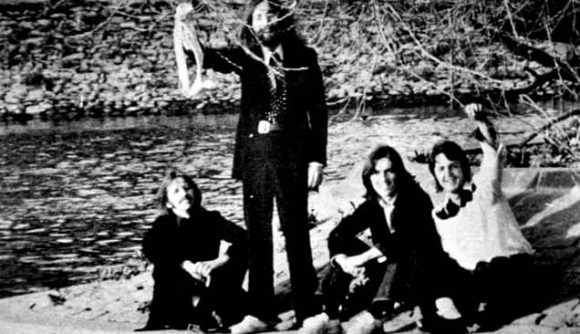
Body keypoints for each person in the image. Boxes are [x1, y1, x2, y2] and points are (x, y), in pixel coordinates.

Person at [183, 1, 328, 333]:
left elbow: (317, 111)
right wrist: (186, 27)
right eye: (259, 16)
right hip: (255, 156)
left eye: (272, 14)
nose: (266, 21)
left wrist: (317, 159)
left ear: (284, 19)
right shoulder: (244, 57)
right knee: (258, 235)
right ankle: (262, 314)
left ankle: (309, 312)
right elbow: (202, 56)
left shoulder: (304, 58)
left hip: (293, 154)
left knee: (296, 233)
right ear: (251, 23)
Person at [306, 145, 447, 334]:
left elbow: (402, 239)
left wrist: (361, 259)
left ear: (399, 172)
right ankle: (330, 316)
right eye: (376, 173)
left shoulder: (416, 198)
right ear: (368, 176)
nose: (383, 180)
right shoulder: (375, 202)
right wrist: (344, 260)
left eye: (389, 171)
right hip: (389, 270)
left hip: (423, 272)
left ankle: (377, 316)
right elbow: (338, 234)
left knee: (400, 252)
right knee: (344, 247)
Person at [427, 104, 535, 332]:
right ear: (435, 174)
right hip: (475, 278)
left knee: (493, 268)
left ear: (464, 169)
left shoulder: (485, 188)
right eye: (441, 169)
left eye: (453, 166)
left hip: (510, 269)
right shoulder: (438, 213)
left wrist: (481, 121)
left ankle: (470, 315)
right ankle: (458, 311)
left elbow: (491, 152)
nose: (448, 175)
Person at [138, 169, 248, 331]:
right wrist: (185, 265)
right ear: (168, 202)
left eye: (187, 188)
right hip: (179, 287)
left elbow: (244, 237)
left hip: (209, 280)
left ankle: (215, 311)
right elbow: (151, 248)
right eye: (176, 191)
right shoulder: (163, 225)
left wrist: (218, 262)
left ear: (195, 192)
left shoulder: (211, 219)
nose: (184, 193)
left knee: (241, 252)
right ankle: (203, 314)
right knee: (164, 262)